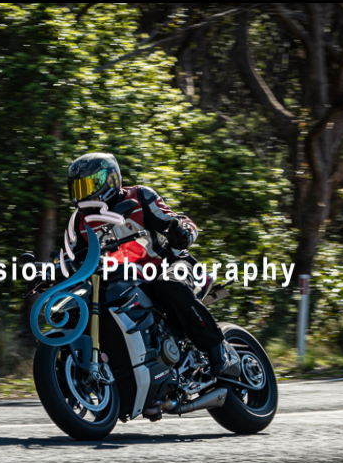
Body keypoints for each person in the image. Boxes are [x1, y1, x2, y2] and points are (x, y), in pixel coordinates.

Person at [65, 152, 240, 378]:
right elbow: (73, 258)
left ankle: (218, 349)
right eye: (78, 188)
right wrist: (49, 270)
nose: (83, 194)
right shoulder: (80, 224)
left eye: (88, 186)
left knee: (168, 285)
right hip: (127, 279)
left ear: (110, 179)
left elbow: (178, 221)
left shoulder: (139, 197)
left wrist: (183, 232)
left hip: (171, 265)